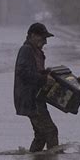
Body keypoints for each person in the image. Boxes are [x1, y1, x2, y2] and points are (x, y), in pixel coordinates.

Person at [14, 23, 58, 152]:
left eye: (46, 39)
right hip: (31, 100)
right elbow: (22, 72)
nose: (45, 42)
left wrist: (47, 74)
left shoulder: (35, 51)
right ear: (33, 35)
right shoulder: (26, 50)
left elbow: (33, 72)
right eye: (42, 38)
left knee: (40, 135)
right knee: (50, 131)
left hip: (36, 98)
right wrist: (44, 78)